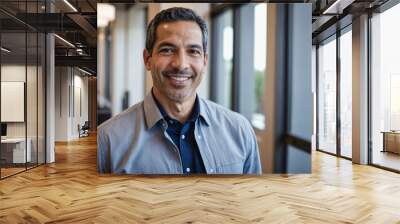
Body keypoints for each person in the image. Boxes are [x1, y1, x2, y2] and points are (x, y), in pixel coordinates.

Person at [97, 7, 262, 174]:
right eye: (167, 50)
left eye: (193, 51)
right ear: (148, 59)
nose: (181, 64)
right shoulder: (106, 140)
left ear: (204, 61)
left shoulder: (240, 131)